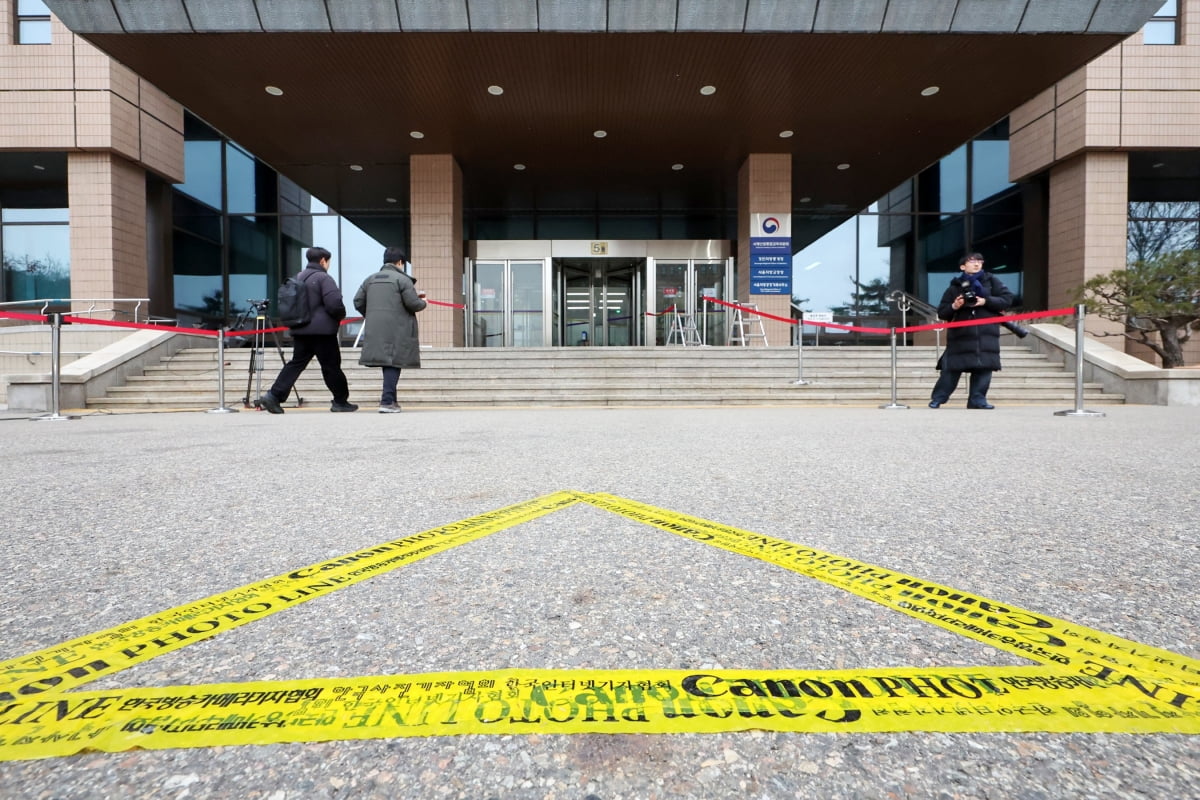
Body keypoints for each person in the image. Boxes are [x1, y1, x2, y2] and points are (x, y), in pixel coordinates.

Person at [258, 246, 358, 414]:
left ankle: (273, 396)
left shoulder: (297, 277)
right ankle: (340, 401)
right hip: (322, 333)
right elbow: (334, 303)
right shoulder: (324, 278)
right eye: (328, 262)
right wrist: (340, 316)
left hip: (300, 330)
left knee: (296, 363)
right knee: (331, 367)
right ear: (323, 261)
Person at [929, 252, 1014, 410]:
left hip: (986, 333)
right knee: (950, 370)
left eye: (980, 261)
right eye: (972, 261)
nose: (977, 264)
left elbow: (1007, 299)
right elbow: (942, 312)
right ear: (963, 266)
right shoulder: (954, 287)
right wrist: (955, 306)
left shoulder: (991, 281)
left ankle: (978, 400)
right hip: (960, 335)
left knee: (984, 369)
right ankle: (938, 398)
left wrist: (985, 301)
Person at [354, 247, 427, 413]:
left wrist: (372, 313)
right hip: (397, 327)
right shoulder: (402, 280)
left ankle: (392, 400)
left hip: (375, 327)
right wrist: (424, 302)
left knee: (388, 363)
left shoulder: (369, 280)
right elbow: (413, 304)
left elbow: (358, 301)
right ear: (400, 262)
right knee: (393, 363)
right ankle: (387, 401)